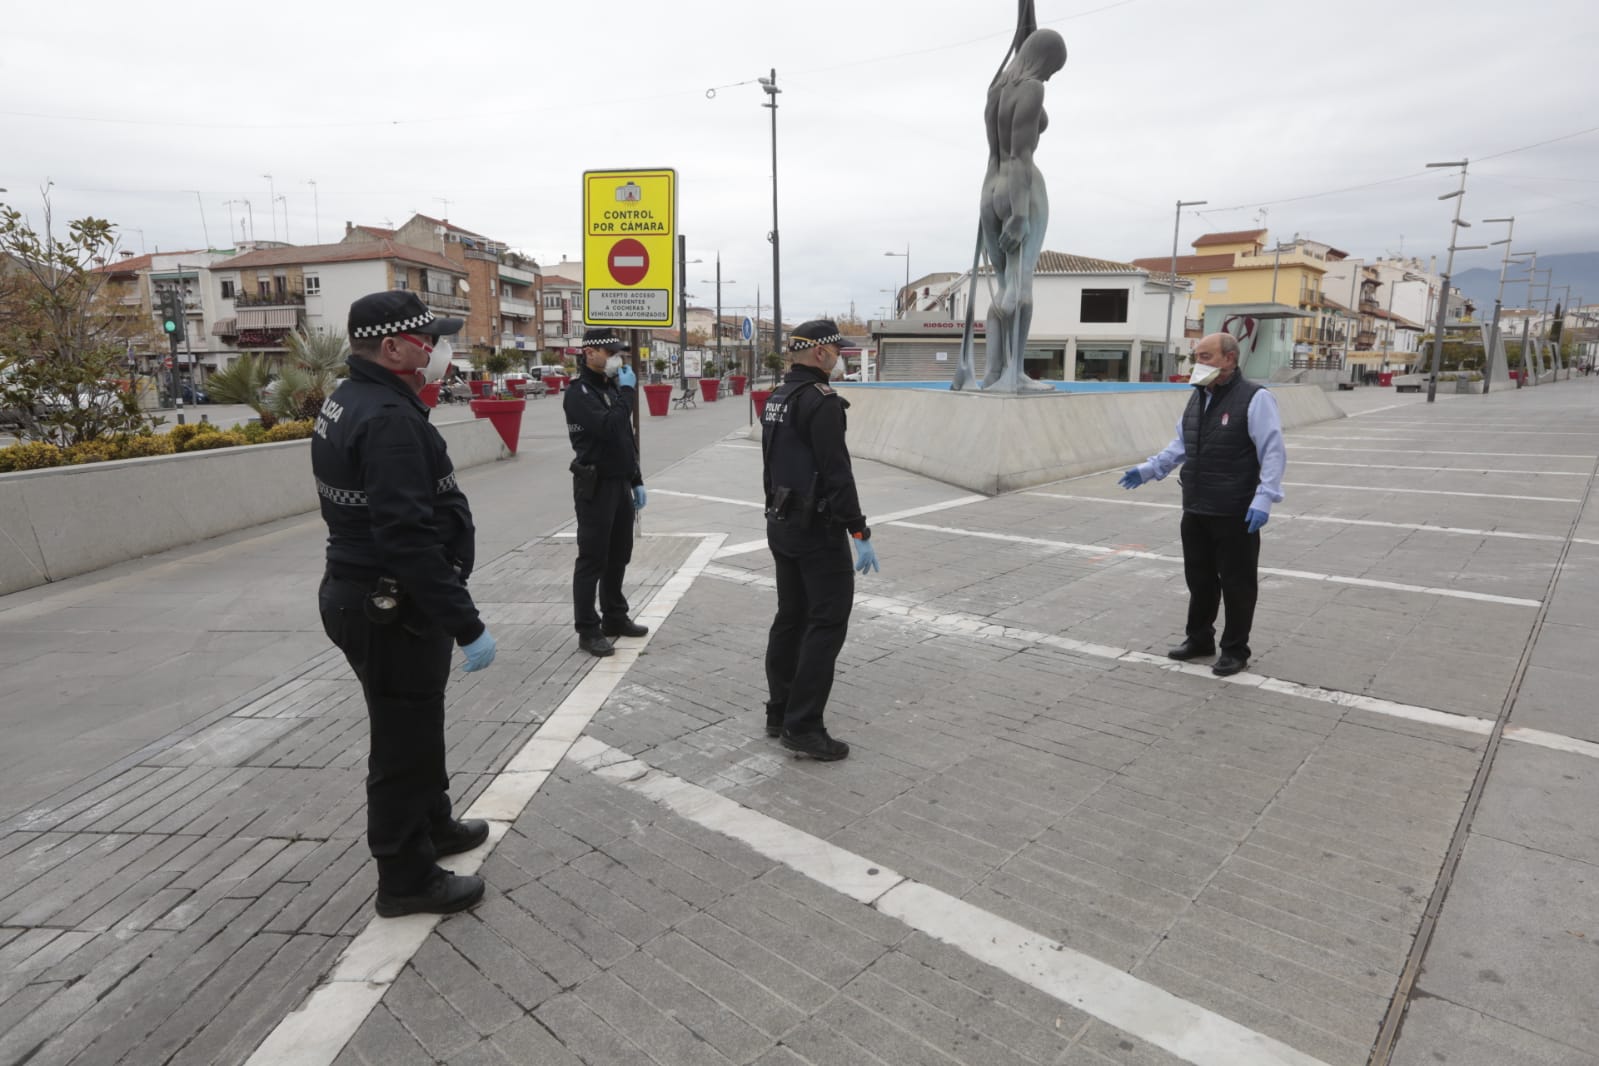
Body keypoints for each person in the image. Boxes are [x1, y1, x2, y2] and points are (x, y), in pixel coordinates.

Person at [312, 291, 496, 918]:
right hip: (389, 605)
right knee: (401, 744)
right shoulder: (386, 417)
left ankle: (434, 825)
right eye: (426, 339)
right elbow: (407, 538)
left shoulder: (354, 398)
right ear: (391, 347)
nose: (435, 349)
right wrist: (466, 623)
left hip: (370, 595)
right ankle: (405, 877)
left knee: (418, 727)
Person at [1117, 332, 1286, 677]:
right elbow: (1180, 445)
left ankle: (1235, 649)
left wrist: (1265, 497)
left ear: (1229, 359)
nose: (1199, 363)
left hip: (1235, 509)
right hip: (1196, 506)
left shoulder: (1256, 398)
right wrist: (1151, 469)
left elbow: (1272, 450)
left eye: (1206, 356)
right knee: (1200, 580)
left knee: (1237, 583)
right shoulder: (1197, 398)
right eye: (1196, 356)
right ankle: (1199, 639)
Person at [760, 320, 880, 761]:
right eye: (840, 352)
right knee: (826, 622)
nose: (844, 359)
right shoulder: (822, 402)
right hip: (816, 529)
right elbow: (836, 472)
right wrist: (858, 529)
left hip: (782, 522)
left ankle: (779, 710)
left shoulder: (777, 396)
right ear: (821, 354)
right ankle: (804, 725)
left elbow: (771, 465)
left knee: (790, 617)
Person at [951, 10, 1066, 393]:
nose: (1050, 77)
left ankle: (991, 372)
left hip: (989, 189)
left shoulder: (997, 87)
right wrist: (1019, 214)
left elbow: (1005, 148)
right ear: (1045, 60)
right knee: (1021, 288)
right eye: (1053, 69)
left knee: (1003, 286)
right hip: (1021, 189)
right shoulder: (1032, 88)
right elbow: (1020, 155)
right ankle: (1013, 373)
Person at [566, 327, 648, 657]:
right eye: (610, 353)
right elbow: (608, 428)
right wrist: (628, 395)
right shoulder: (579, 393)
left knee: (619, 555)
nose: (617, 358)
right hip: (595, 485)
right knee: (593, 559)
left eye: (619, 353)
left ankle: (615, 616)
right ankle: (588, 628)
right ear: (589, 353)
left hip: (619, 483)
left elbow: (624, 439)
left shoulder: (612, 387)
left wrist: (637, 478)